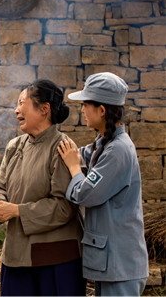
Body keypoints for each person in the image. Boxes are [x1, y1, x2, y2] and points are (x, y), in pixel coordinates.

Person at [0, 80, 86, 296]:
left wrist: (17, 210)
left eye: (21, 103)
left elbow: (65, 207)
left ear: (44, 109)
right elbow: (0, 185)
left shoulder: (64, 148)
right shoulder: (14, 146)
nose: (16, 110)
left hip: (57, 260)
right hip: (17, 255)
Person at [58, 72, 148, 296]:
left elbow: (86, 194)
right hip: (112, 264)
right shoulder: (104, 143)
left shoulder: (117, 150)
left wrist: (73, 168)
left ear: (102, 110)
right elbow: (82, 155)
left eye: (85, 104)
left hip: (121, 265)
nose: (82, 110)